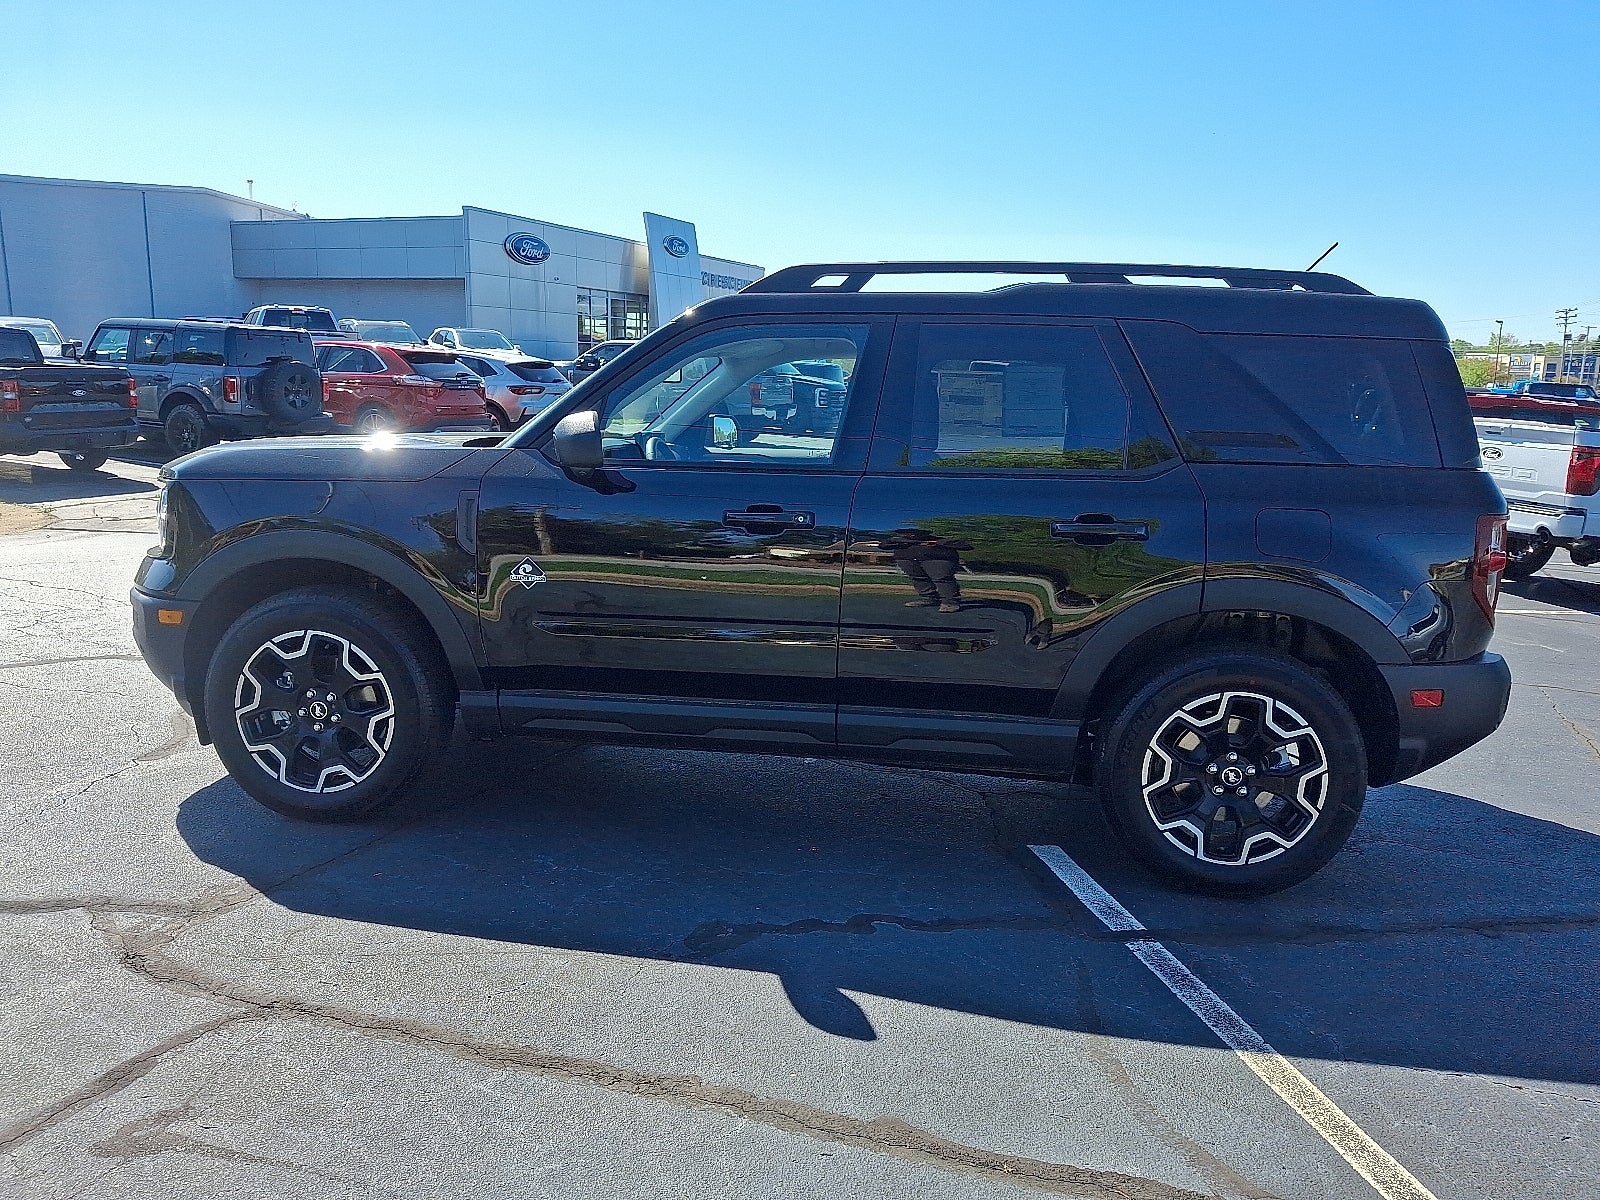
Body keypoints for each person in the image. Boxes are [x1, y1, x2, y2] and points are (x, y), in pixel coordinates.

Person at [879, 528, 973, 613]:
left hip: (937, 560)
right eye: (906, 533)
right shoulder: (899, 541)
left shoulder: (940, 539)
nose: (910, 535)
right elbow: (883, 545)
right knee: (918, 579)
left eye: (914, 533)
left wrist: (936, 543)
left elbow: (966, 546)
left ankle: (950, 602)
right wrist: (902, 543)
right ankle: (929, 598)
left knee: (942, 579)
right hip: (908, 560)